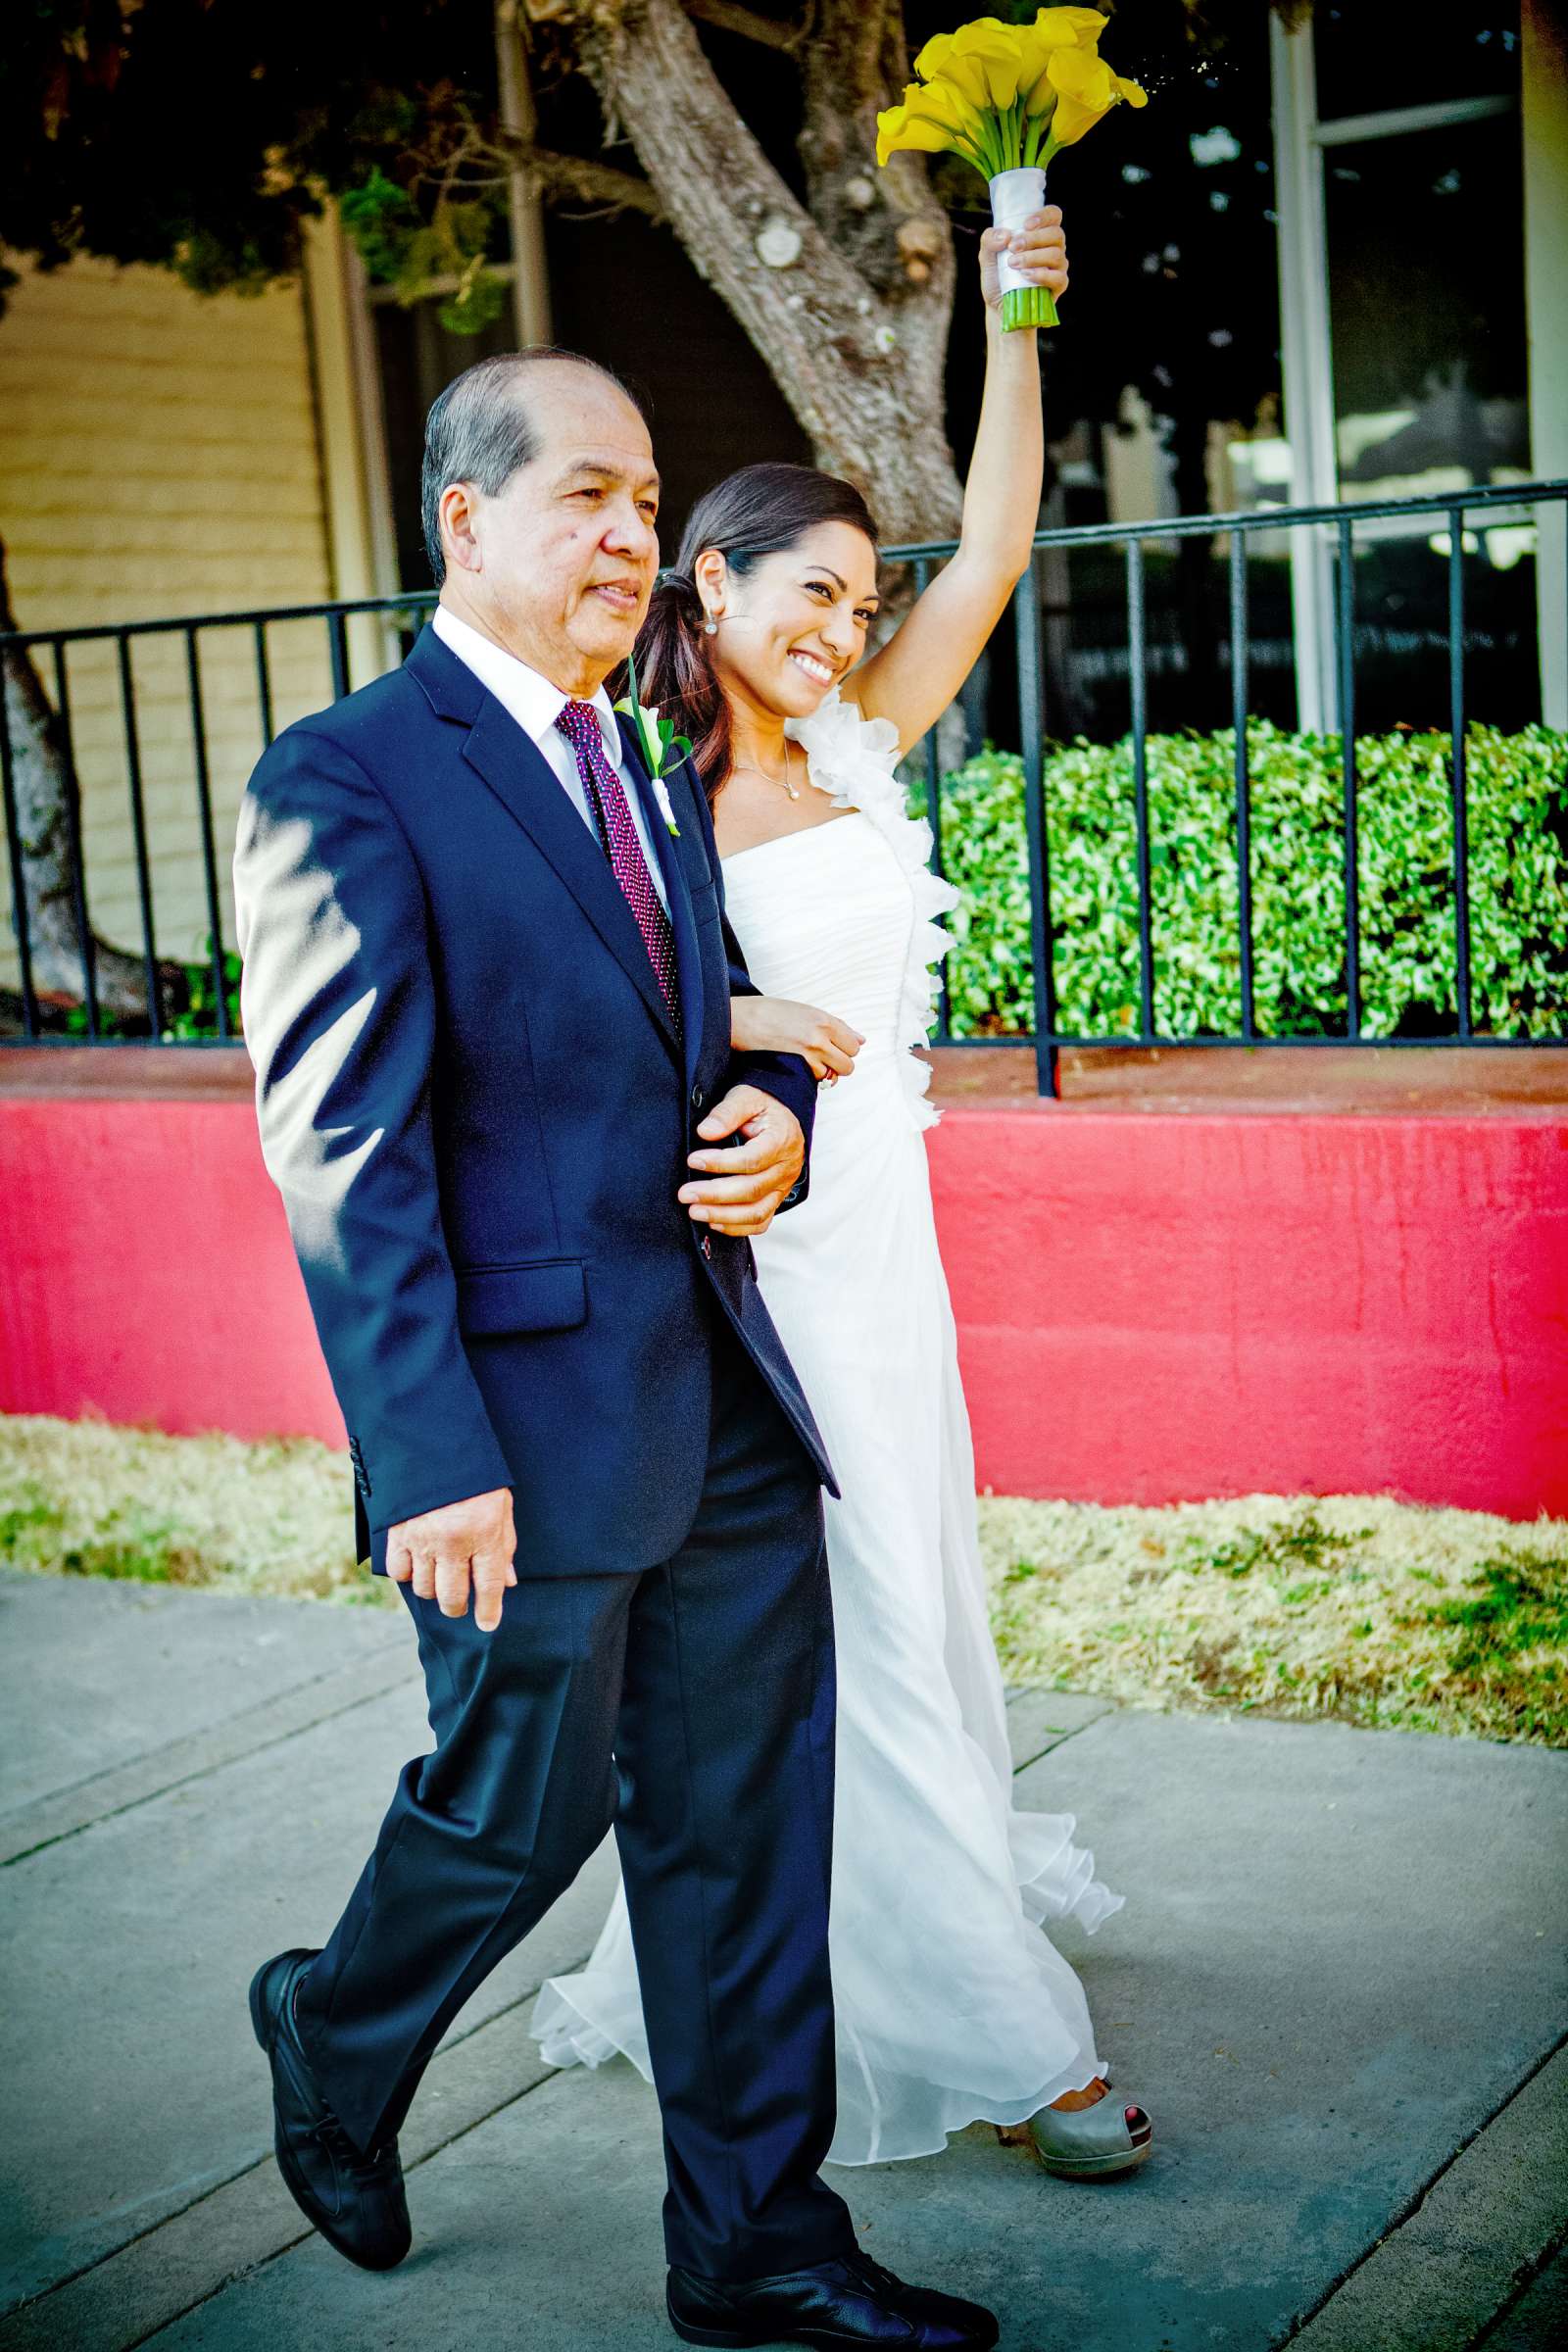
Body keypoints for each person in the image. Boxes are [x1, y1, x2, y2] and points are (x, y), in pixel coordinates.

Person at [234, 348, 999, 2350]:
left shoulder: (644, 771)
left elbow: (721, 1023)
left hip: (726, 1382)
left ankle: (756, 2243)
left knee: (741, 1821)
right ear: (461, 519)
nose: (627, 535)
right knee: (521, 1810)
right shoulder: (350, 773)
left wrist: (783, 1117)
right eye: (585, 494)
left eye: (647, 503)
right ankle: (332, 2033)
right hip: (523, 1421)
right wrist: (426, 1459)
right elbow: (346, 1148)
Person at [535, 214, 1154, 2181]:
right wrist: (735, 1003)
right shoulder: (639, 792)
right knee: (859, 1610)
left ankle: (878, 1918)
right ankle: (1002, 2039)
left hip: (884, 1242)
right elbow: (568, 1001)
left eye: (851, 596)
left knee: (920, 1588)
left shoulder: (854, 744)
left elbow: (989, 547)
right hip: (759, 1257)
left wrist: (1008, 307)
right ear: (703, 585)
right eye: (799, 593)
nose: (837, 622)